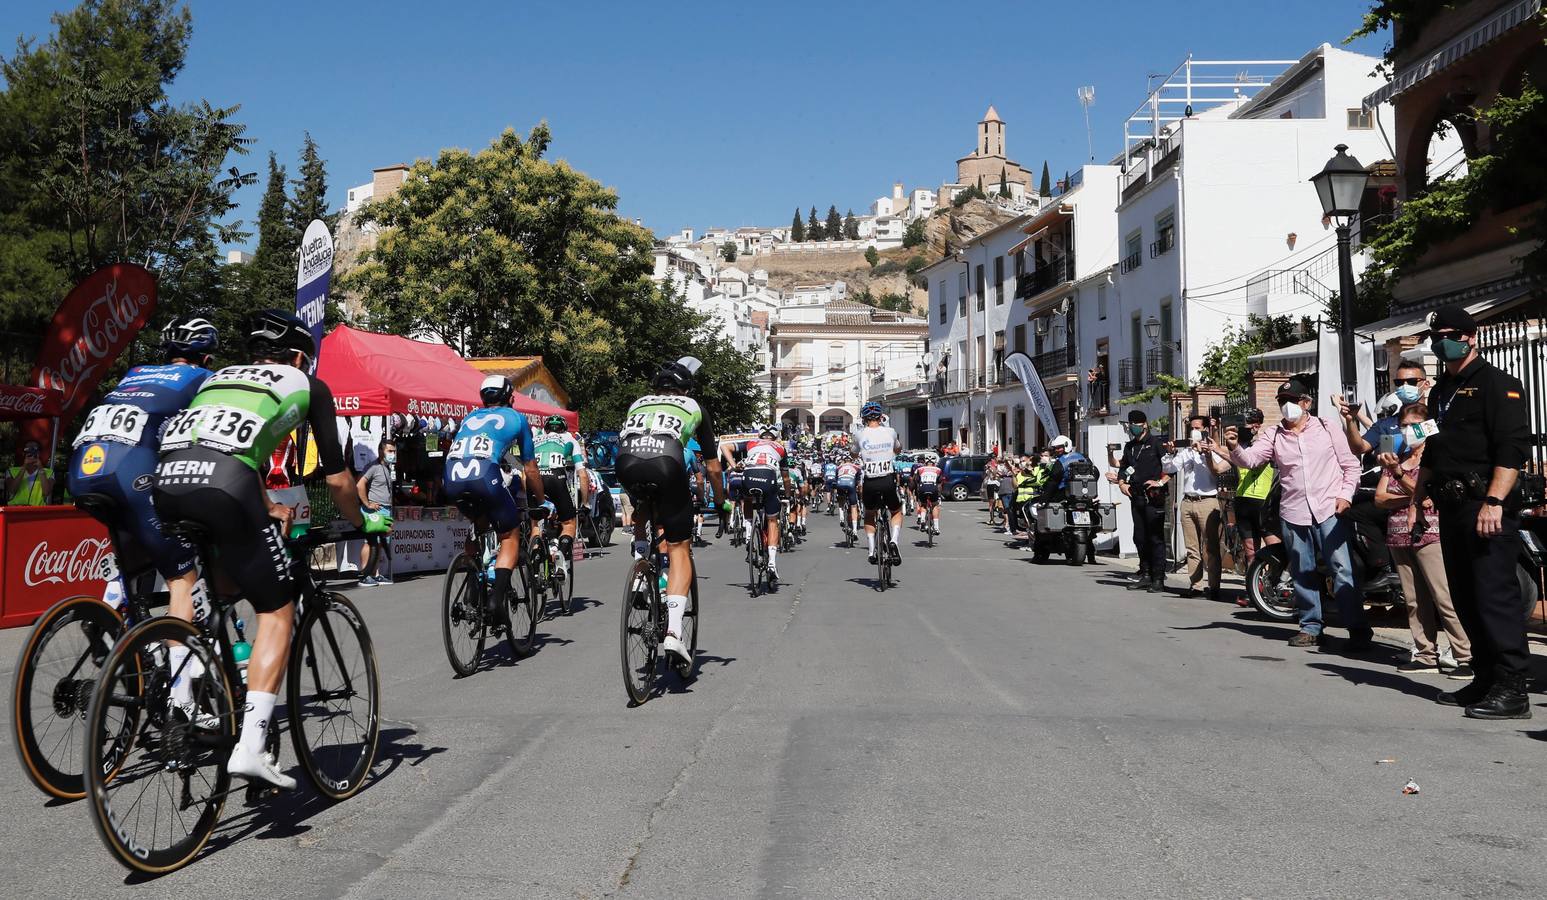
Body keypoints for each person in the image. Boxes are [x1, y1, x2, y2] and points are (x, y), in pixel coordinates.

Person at [154, 310, 390, 789]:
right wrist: (363, 519)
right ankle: (253, 745)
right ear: (302, 356)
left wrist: (268, 506)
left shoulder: (219, 377)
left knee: (223, 586)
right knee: (277, 608)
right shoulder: (307, 384)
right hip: (225, 483)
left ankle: (198, 673)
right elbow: (339, 479)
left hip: (168, 480)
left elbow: (230, 447)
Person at [69, 316, 217, 699]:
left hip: (84, 467)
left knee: (134, 556)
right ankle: (180, 697)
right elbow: (203, 443)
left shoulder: (135, 373)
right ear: (204, 357)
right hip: (132, 471)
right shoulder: (201, 380)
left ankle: (110, 609)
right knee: (181, 579)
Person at [1412, 305, 1532, 718]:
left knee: (1494, 596)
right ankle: (1484, 678)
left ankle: (1513, 687)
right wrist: (1417, 498)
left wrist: (1495, 502)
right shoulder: (1440, 390)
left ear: (1470, 337)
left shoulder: (1499, 385)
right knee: (1465, 595)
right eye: (1435, 337)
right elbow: (1435, 446)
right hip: (1451, 505)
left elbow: (1513, 450)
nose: (1441, 342)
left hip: (1486, 506)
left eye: (1448, 335)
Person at [1226, 375, 1371, 650]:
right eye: (1282, 401)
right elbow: (1253, 460)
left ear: (1306, 403)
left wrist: (1345, 496)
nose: (1286, 406)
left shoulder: (1327, 428)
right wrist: (1235, 447)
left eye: (1291, 401)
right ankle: (1311, 627)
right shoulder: (1273, 434)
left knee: (1341, 569)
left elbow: (1351, 466)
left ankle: (1357, 628)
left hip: (1330, 510)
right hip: (1294, 512)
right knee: (1302, 571)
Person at [616, 358, 729, 663]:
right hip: (667, 464)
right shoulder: (694, 406)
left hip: (626, 464)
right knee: (679, 547)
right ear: (686, 388)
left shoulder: (638, 403)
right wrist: (720, 503)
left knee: (643, 504)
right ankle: (675, 633)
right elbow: (713, 467)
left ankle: (641, 566)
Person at [1375, 401, 1472, 679]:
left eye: (1412, 425)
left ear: (1427, 426)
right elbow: (1380, 499)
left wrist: (1399, 477)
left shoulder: (1436, 458)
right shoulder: (1397, 457)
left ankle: (1464, 654)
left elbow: (1428, 499)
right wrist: (1409, 491)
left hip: (1430, 533)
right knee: (1415, 600)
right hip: (1398, 535)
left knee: (1444, 597)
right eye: (1403, 426)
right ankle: (1425, 653)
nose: (1406, 431)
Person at [444, 375, 548, 633]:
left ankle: (471, 584)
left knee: (478, 524)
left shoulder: (469, 418)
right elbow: (530, 468)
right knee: (510, 537)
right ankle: (495, 601)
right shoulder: (517, 419)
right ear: (510, 397)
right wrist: (542, 499)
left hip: (451, 476)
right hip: (484, 475)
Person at [1162, 416, 1231, 601]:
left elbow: (1217, 469)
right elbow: (1170, 468)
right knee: (1192, 548)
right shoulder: (1186, 452)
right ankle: (1196, 585)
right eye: (1192, 428)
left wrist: (1204, 453)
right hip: (1188, 500)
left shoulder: (1214, 451)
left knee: (1211, 546)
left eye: (1198, 428)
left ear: (1206, 430)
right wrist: (1170, 453)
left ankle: (1214, 586)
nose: (1195, 432)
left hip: (1207, 501)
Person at [1230, 408, 1282, 606]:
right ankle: (1253, 590)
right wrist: (1217, 445)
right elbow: (1221, 466)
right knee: (1250, 551)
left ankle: (1277, 586)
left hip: (1263, 502)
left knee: (1273, 549)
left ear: (1257, 425)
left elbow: (1253, 462)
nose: (1243, 427)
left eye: (1247, 423)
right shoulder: (1238, 446)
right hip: (1243, 502)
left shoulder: (1265, 445)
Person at [1118, 411, 1170, 593]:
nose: (1133, 427)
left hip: (1154, 497)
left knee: (1155, 538)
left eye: (1137, 424)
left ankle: (1158, 578)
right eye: (1131, 424)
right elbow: (1124, 467)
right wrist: (1122, 483)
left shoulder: (1156, 444)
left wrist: (1160, 482)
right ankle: (1145, 573)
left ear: (1145, 424)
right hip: (1136, 496)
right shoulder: (1130, 446)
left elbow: (1170, 467)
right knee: (1139, 537)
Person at [533, 414, 587, 567]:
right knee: (569, 523)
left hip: (535, 478)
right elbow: (582, 474)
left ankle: (535, 564)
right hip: (556, 477)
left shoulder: (534, 440)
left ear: (546, 429)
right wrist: (585, 503)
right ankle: (561, 554)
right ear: (564, 429)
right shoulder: (570, 439)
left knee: (536, 525)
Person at [740, 426, 791, 585]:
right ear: (775, 438)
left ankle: (748, 531)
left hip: (748, 478)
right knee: (772, 521)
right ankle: (772, 563)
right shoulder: (780, 448)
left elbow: (725, 446)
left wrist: (733, 463)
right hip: (769, 479)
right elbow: (786, 477)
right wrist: (787, 495)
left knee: (747, 499)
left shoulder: (750, 443)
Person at [856, 401, 904, 567]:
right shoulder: (890, 432)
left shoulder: (860, 434)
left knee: (869, 514)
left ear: (864, 418)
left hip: (870, 481)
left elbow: (853, 452)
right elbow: (898, 449)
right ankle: (894, 541)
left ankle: (871, 550)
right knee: (896, 511)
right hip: (887, 479)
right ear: (880, 416)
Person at [356, 440, 397, 587]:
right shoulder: (373, 467)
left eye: (394, 451)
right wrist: (367, 503)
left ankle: (376, 574)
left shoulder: (387, 468)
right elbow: (360, 483)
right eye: (390, 451)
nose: (392, 454)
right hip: (375, 510)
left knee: (379, 543)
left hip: (385, 509)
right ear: (381, 451)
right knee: (370, 542)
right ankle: (364, 574)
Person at [6, 439, 54, 506]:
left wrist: (40, 468)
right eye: (28, 450)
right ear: (23, 453)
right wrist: (24, 466)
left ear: (39, 453)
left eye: (34, 450)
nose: (31, 453)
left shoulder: (49, 472)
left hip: (37, 511)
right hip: (16, 510)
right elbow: (12, 490)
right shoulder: (12, 471)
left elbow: (46, 492)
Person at [912, 453, 943, 534]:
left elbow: (916, 480)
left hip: (923, 487)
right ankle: (936, 527)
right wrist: (939, 495)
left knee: (923, 504)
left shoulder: (920, 469)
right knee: (935, 505)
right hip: (933, 487)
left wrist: (917, 491)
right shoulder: (938, 469)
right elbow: (940, 483)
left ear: (925, 461)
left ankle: (922, 520)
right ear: (935, 462)